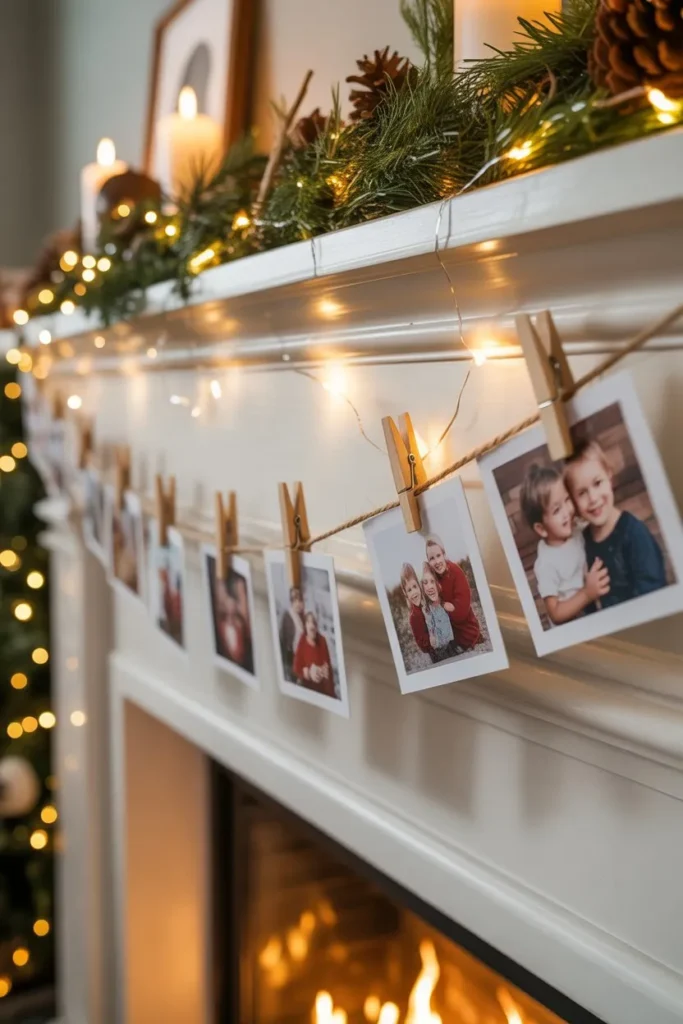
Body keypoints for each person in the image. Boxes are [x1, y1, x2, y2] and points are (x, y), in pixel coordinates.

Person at [564, 439, 667, 609]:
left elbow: (654, 596)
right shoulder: (583, 542)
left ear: (609, 477)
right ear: (574, 501)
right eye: (582, 492)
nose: (593, 498)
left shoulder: (634, 534)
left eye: (597, 483)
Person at [520, 462, 609, 626]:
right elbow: (555, 613)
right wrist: (587, 594)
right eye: (556, 510)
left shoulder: (576, 530)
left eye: (567, 500)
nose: (567, 511)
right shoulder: (546, 564)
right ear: (541, 529)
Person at [425, 536, 482, 648]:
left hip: (467, 633)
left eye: (438, 556)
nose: (436, 562)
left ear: (444, 555)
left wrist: (443, 606)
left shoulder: (455, 572)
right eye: (431, 558)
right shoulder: (432, 578)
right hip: (448, 638)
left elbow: (461, 610)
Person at [420, 562, 460, 661]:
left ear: (438, 585)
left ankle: (452, 649)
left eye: (432, 581)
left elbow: (452, 609)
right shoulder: (428, 608)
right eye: (425, 583)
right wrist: (432, 636)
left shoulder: (442, 601)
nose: (429, 587)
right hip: (440, 645)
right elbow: (430, 624)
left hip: (450, 641)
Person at [293, 611, 335, 697]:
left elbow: (328, 669)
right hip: (307, 690)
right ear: (305, 625)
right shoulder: (302, 641)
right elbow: (296, 668)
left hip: (322, 690)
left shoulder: (322, 641)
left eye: (314, 622)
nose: (312, 625)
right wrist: (308, 672)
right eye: (309, 622)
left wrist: (325, 672)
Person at [279, 586, 305, 681]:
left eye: (300, 601)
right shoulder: (287, 616)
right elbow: (282, 640)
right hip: (290, 659)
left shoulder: (302, 617)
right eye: (295, 601)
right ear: (291, 602)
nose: (298, 604)